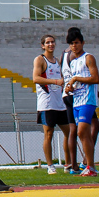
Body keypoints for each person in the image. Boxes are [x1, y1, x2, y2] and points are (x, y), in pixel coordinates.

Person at [62, 27, 99, 177]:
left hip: (87, 100)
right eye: (71, 43)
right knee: (82, 134)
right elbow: (75, 81)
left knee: (82, 131)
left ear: (82, 43)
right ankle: (90, 166)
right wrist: (69, 88)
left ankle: (89, 165)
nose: (74, 46)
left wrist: (77, 79)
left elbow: (95, 78)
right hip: (76, 100)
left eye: (76, 43)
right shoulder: (72, 62)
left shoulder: (88, 57)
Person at [33, 34, 70, 174]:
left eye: (52, 42)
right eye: (47, 42)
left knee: (69, 132)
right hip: (47, 103)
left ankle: (68, 163)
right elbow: (35, 78)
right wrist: (55, 82)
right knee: (49, 134)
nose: (51, 44)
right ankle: (50, 165)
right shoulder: (40, 60)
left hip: (59, 102)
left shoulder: (57, 61)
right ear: (43, 45)